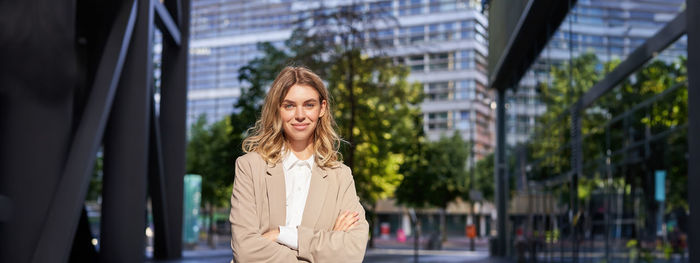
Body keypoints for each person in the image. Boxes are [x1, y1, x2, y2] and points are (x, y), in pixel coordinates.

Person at [229, 66, 369, 262]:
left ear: (322, 108)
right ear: (277, 110)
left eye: (309, 105)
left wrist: (283, 234)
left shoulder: (340, 175)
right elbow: (245, 251)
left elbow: (352, 251)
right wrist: (323, 250)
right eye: (289, 106)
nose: (300, 115)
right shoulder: (250, 167)